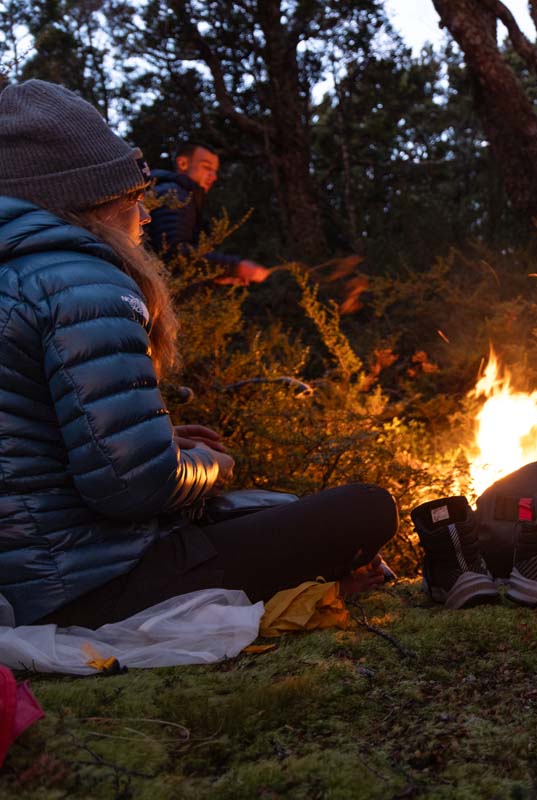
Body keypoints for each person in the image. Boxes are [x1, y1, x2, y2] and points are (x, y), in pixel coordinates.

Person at [0, 79, 396, 629]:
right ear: (104, 200)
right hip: (94, 587)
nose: (143, 220)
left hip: (31, 578)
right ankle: (330, 575)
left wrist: (160, 441)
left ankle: (327, 574)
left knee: (276, 505)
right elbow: (133, 487)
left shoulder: (17, 276)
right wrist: (209, 466)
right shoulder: (80, 281)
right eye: (137, 201)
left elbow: (32, 450)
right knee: (365, 508)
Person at [146, 141, 271, 287]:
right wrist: (236, 267)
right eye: (206, 167)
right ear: (183, 163)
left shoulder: (185, 197)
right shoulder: (175, 195)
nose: (214, 176)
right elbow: (173, 254)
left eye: (215, 171)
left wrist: (214, 277)